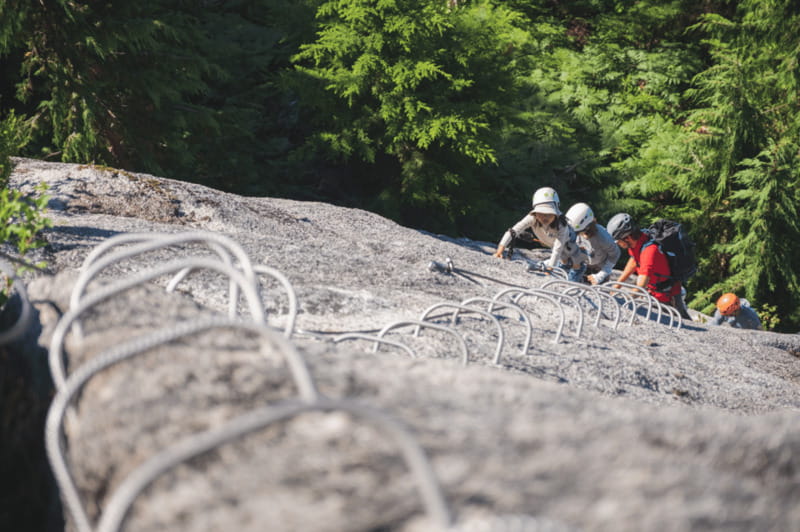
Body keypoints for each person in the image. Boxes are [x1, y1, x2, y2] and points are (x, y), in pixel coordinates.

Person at [606, 212, 692, 319]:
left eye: (618, 241)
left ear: (627, 238)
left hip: (668, 296)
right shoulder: (639, 240)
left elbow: (641, 284)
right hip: (654, 291)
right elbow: (634, 261)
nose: (618, 244)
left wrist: (625, 302)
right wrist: (617, 285)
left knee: (681, 322)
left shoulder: (649, 252)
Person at [493, 187, 587, 282]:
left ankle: (578, 269)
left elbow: (557, 250)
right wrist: (499, 251)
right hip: (557, 249)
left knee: (572, 265)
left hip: (571, 246)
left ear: (555, 214)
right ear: (535, 213)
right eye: (541, 213)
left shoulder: (562, 226)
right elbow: (513, 231)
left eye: (549, 214)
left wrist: (549, 270)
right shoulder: (532, 218)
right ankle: (564, 265)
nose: (544, 217)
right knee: (561, 261)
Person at [565, 202, 620, 285]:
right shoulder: (574, 231)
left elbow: (615, 254)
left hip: (599, 269)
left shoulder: (603, 237)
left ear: (586, 227)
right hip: (581, 265)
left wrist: (601, 275)